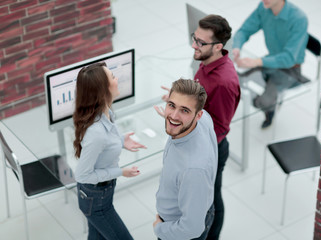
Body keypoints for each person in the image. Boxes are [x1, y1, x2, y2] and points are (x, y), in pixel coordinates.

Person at [155, 14, 241, 240]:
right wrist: (183, 104)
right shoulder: (207, 61)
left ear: (219, 47)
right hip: (195, 137)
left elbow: (220, 126)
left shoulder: (224, 83)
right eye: (195, 38)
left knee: (212, 201)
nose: (194, 45)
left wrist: (183, 118)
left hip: (212, 147)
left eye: (201, 42)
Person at [73, 62, 146, 240]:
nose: (117, 79)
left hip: (101, 194)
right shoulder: (96, 132)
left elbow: (104, 144)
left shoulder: (105, 113)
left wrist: (121, 141)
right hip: (95, 200)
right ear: (102, 90)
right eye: (113, 77)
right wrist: (121, 172)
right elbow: (82, 175)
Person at [153, 79, 218, 240]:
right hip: (198, 204)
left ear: (198, 115)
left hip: (179, 230)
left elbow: (192, 229)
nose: (174, 115)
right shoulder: (202, 120)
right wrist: (175, 117)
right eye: (171, 105)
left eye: (185, 110)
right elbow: (178, 115)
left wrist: (160, 229)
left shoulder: (193, 170)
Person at [232, 0, 309, 128]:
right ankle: (269, 95)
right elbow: (244, 30)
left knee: (264, 102)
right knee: (234, 82)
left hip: (290, 69)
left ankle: (269, 106)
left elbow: (289, 58)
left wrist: (257, 62)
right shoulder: (263, 8)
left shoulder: (299, 19)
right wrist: (236, 47)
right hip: (270, 61)